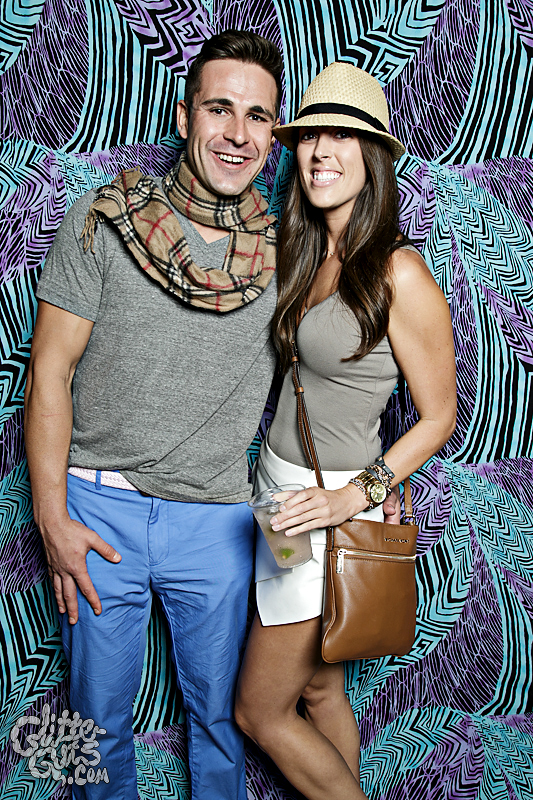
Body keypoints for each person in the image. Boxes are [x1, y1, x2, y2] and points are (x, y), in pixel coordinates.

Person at [24, 31, 283, 800]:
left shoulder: (288, 253)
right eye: (219, 109)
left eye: (257, 117)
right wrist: (52, 518)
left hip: (219, 521)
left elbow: (338, 375)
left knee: (223, 722)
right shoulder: (101, 219)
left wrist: (372, 483)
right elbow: (49, 373)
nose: (237, 134)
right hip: (98, 510)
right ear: (183, 117)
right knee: (93, 723)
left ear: (273, 135)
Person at [235, 62, 457, 800]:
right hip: (277, 496)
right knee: (320, 688)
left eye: (342, 136)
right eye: (309, 136)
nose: (321, 151)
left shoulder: (399, 273)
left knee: (259, 710)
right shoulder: (305, 251)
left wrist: (353, 496)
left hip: (327, 504)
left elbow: (439, 416)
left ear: (373, 157)